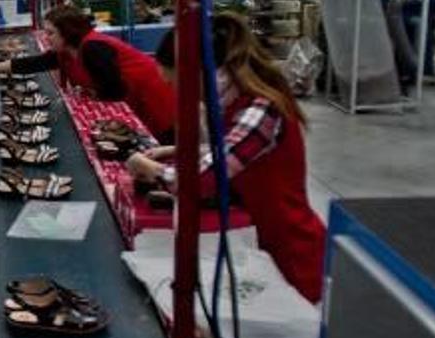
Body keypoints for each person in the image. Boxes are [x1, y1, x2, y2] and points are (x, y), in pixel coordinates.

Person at [126, 14, 327, 303]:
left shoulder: (260, 108)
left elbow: (204, 180)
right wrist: (176, 152)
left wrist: (153, 170)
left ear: (196, 73)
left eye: (174, 83)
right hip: (258, 238)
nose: (174, 93)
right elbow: (238, 153)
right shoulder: (234, 100)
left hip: (289, 252)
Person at [0, 5, 177, 144]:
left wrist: (88, 93)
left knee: (166, 142)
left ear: (67, 32)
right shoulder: (67, 52)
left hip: (154, 97)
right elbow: (33, 63)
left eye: (51, 32)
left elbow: (114, 90)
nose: (46, 37)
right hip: (136, 97)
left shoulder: (92, 48)